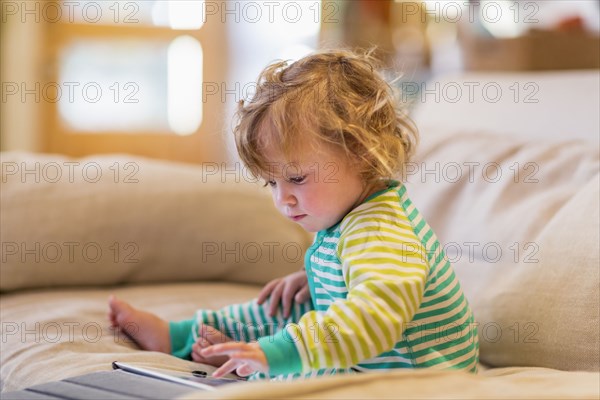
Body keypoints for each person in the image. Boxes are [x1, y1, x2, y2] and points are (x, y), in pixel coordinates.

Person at [108, 49, 479, 381]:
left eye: (296, 178)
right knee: (284, 306)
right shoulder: (354, 217)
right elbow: (364, 275)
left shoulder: (380, 230)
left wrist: (278, 353)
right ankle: (184, 335)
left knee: (299, 358)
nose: (283, 199)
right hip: (382, 363)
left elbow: (374, 318)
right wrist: (315, 278)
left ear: (363, 153)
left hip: (415, 381)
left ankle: (244, 362)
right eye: (270, 183)